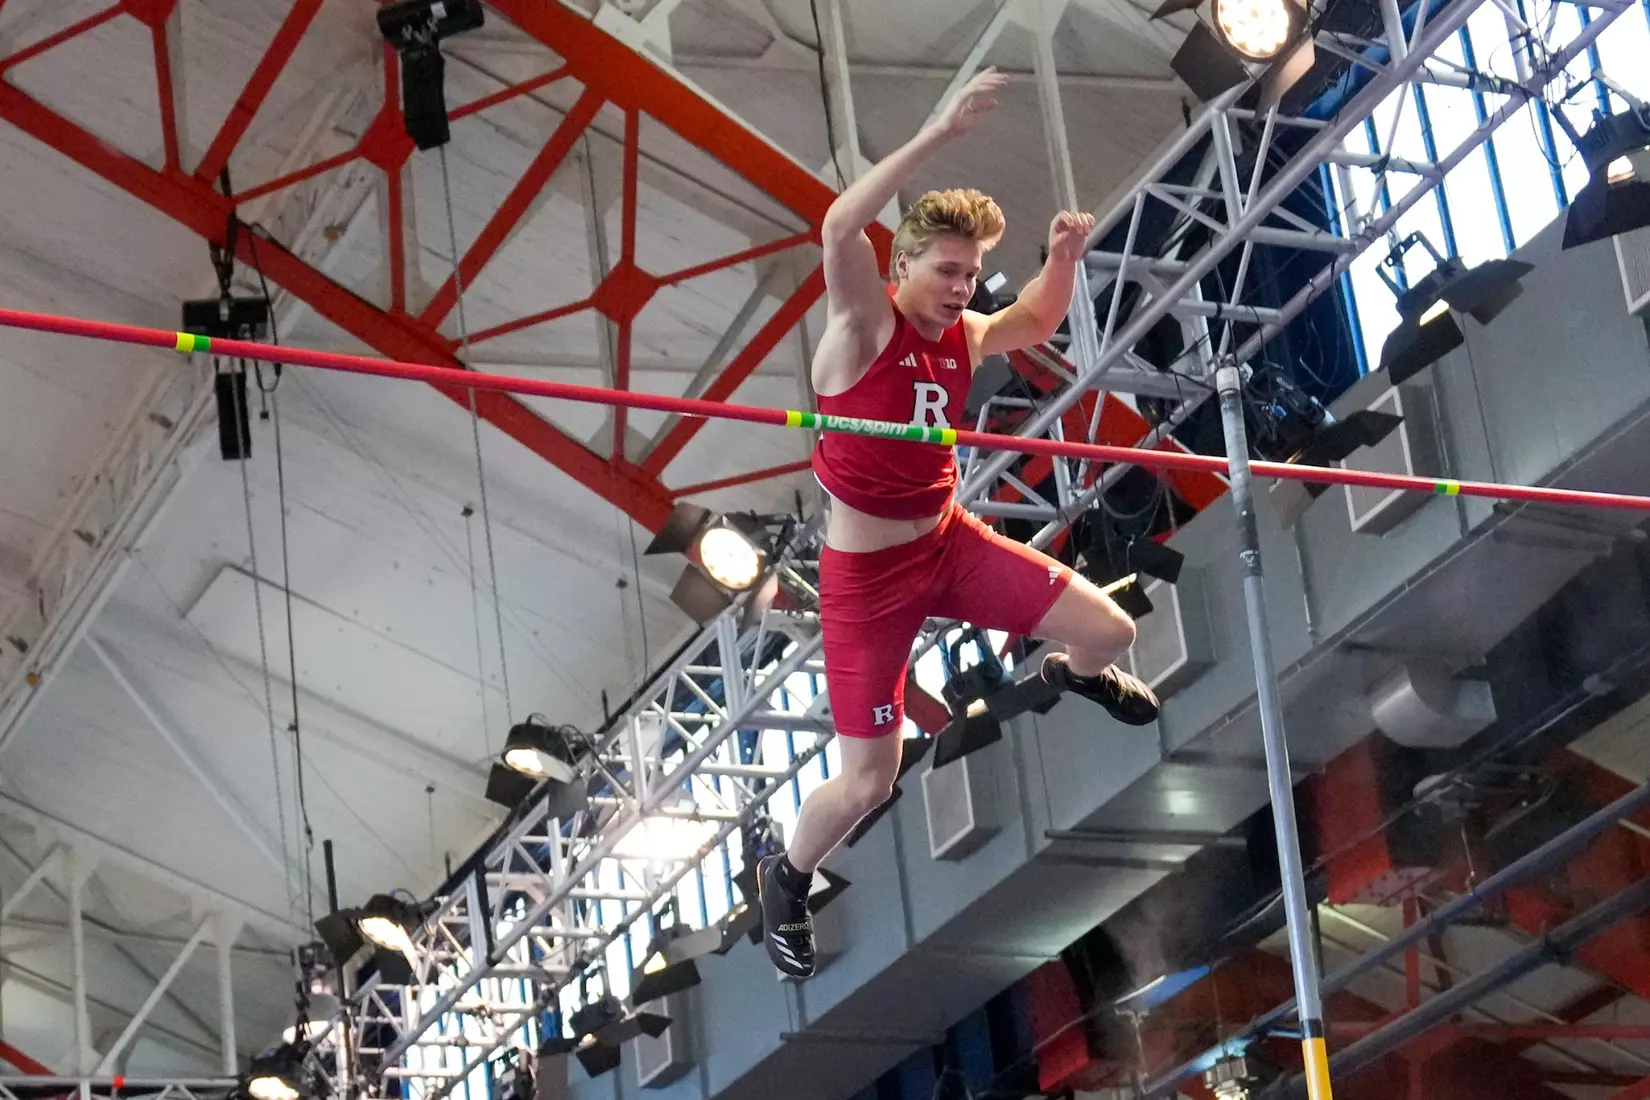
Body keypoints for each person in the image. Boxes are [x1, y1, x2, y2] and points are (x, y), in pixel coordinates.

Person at [756, 68, 1161, 981]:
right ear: (901, 266)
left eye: (971, 274)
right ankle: (785, 877)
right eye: (947, 271)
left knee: (1112, 631)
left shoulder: (962, 331)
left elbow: (1033, 318)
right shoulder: (860, 328)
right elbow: (833, 226)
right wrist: (938, 135)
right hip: (868, 584)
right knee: (870, 781)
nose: (961, 288)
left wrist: (1062, 255)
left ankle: (1067, 674)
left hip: (950, 544)